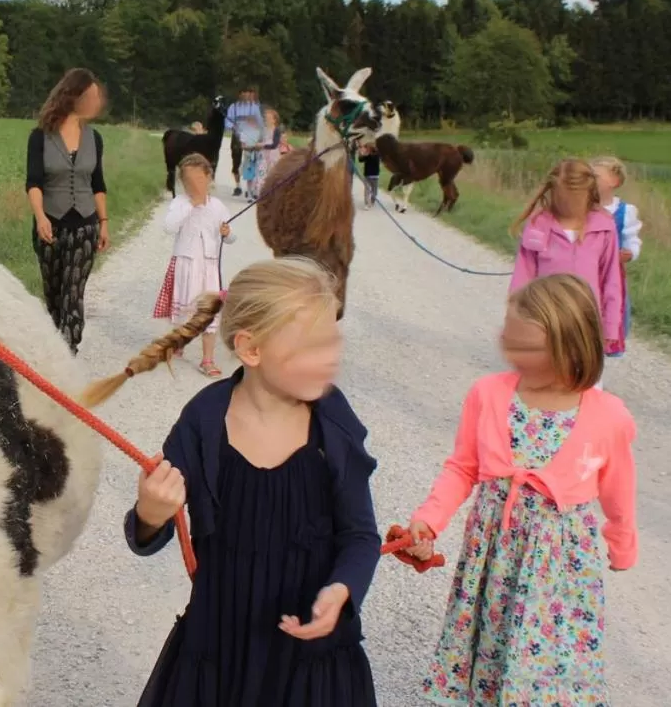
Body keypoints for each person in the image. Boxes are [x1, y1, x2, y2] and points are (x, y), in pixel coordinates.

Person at [90, 256, 382, 706]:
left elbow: (361, 535)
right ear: (251, 349)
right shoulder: (204, 422)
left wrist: (343, 590)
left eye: (333, 343)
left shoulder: (332, 425)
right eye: (313, 347)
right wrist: (150, 512)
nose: (331, 361)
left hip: (309, 664)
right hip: (219, 650)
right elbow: (148, 534)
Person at [404, 273, 638, 706]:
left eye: (526, 347)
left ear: (573, 348)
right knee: (493, 647)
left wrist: (622, 543)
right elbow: (462, 468)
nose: (511, 352)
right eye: (507, 340)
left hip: (561, 569)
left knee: (549, 664)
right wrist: (430, 519)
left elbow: (618, 488)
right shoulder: (488, 395)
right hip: (494, 552)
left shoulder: (608, 416)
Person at [508, 158, 622, 386]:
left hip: (586, 324)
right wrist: (516, 320)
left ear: (589, 193)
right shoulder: (538, 224)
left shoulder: (604, 227)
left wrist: (611, 327)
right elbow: (523, 276)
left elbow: (612, 280)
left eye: (575, 199)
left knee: (587, 388)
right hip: (545, 321)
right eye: (563, 198)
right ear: (553, 192)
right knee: (543, 384)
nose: (569, 205)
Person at [25, 68, 110, 353]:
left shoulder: (95, 139)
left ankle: (68, 352)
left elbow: (97, 183)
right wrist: (40, 218)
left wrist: (104, 222)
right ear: (74, 96)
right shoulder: (40, 137)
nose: (97, 103)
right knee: (54, 295)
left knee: (73, 293)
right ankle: (55, 348)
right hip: (51, 223)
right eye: (92, 97)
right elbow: (33, 182)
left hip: (85, 224)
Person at [152, 154, 235, 377]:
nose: (195, 185)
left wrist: (227, 233)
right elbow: (169, 227)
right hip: (186, 266)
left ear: (209, 178)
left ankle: (207, 359)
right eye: (189, 181)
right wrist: (190, 205)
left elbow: (230, 236)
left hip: (209, 267)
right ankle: (179, 343)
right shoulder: (179, 203)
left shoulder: (217, 206)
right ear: (182, 182)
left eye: (199, 180)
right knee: (185, 309)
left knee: (210, 312)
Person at [591, 155, 642, 354]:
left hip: (610, 277)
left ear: (614, 181)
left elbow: (633, 238)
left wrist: (630, 253)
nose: (590, 181)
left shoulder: (625, 211)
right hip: (583, 272)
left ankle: (598, 361)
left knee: (610, 314)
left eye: (595, 176)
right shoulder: (582, 207)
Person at [224, 88, 263, 196]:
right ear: (240, 95)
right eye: (244, 94)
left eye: (248, 94)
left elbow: (259, 122)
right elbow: (227, 121)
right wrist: (232, 126)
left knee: (250, 161)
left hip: (250, 136)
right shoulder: (233, 107)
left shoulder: (255, 107)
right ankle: (238, 186)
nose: (246, 96)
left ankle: (249, 187)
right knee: (236, 160)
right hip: (237, 136)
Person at [247, 107, 284, 199]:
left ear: (274, 119)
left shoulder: (277, 130)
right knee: (260, 173)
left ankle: (271, 194)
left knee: (272, 175)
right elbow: (258, 140)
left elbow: (274, 145)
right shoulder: (263, 130)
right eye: (265, 117)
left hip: (273, 156)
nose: (266, 119)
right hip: (263, 155)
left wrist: (262, 145)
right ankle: (260, 194)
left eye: (268, 118)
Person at [358, 143, 381, 209]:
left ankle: (370, 202)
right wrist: (361, 152)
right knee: (369, 191)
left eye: (367, 149)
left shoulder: (371, 156)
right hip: (369, 176)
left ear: (369, 150)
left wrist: (361, 152)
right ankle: (368, 203)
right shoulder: (374, 155)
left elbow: (361, 159)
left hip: (373, 176)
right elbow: (360, 160)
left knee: (372, 191)